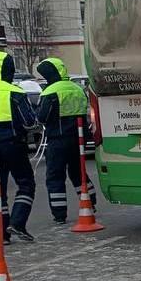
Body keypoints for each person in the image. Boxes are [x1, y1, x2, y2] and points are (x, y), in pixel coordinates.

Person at [36, 57, 96, 224]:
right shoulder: (77, 89)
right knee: (78, 173)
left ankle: (59, 214)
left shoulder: (50, 91)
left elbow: (42, 117)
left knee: (55, 176)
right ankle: (91, 202)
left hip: (58, 139)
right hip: (78, 139)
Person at [0, 52, 37, 242]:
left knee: (0, 190)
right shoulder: (14, 92)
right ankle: (18, 223)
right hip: (12, 143)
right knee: (26, 183)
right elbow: (30, 121)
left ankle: (2, 233)